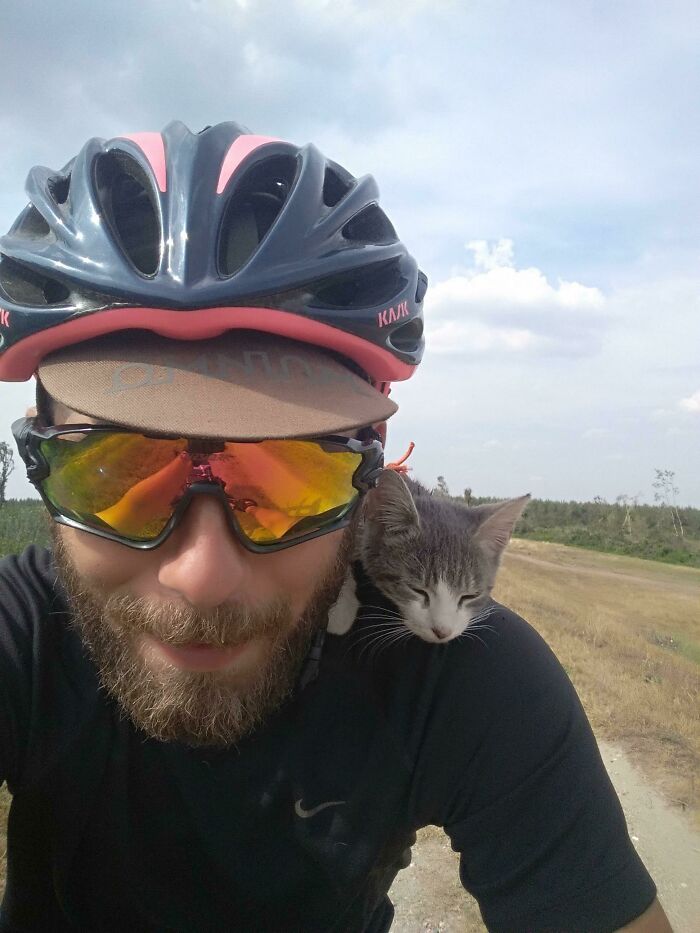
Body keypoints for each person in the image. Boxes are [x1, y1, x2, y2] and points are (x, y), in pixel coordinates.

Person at [0, 122, 670, 932]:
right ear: (37, 461)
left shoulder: (467, 683)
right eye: (115, 473)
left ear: (368, 487)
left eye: (291, 479)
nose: (203, 572)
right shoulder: (18, 637)